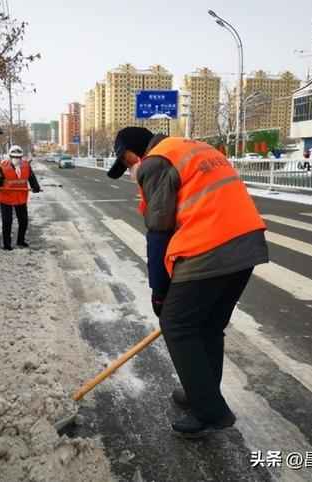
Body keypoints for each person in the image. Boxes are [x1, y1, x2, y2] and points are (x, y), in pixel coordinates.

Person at [107, 127, 269, 438]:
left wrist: (159, 291)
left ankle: (211, 412)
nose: (130, 170)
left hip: (210, 248)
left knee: (177, 324)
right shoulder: (194, 149)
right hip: (247, 245)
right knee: (207, 326)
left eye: (127, 163)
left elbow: (158, 232)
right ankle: (202, 394)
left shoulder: (155, 161)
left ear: (132, 152)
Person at [0, 145, 41, 251]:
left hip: (21, 198)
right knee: (7, 221)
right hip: (6, 198)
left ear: (22, 157)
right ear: (10, 156)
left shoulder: (26, 166)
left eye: (19, 157)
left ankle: (20, 240)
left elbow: (32, 178)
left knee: (23, 221)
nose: (17, 159)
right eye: (14, 157)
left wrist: (35, 187)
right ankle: (6, 244)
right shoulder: (2, 166)